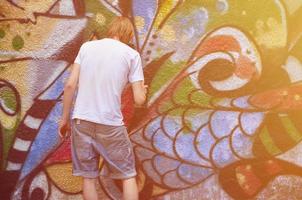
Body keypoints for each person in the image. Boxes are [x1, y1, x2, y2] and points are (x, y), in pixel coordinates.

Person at [58, 16, 147, 200]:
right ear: (129, 35)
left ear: (111, 30)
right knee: (128, 175)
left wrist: (64, 119)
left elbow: (70, 85)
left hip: (82, 121)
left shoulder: (87, 47)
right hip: (110, 124)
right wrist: (143, 92)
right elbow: (139, 100)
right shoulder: (132, 55)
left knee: (89, 178)